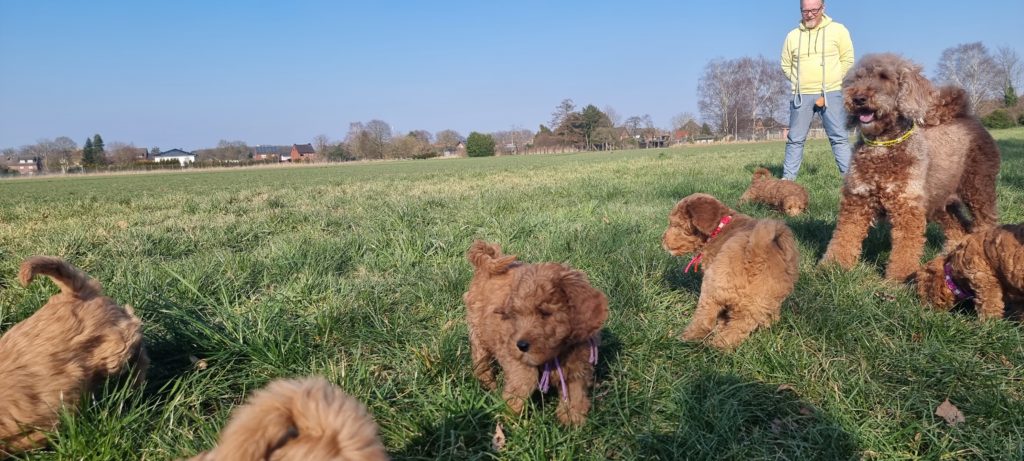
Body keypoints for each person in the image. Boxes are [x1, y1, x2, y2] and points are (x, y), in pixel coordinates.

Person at [780, 0, 854, 180]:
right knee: (795, 140)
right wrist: (799, 83)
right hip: (801, 95)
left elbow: (848, 59)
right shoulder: (792, 36)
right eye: (805, 11)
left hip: (831, 93)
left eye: (814, 10)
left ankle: (853, 182)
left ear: (823, 8)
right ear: (800, 10)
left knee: (839, 138)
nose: (810, 14)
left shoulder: (838, 30)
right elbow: (785, 64)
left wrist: (834, 80)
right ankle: (787, 182)